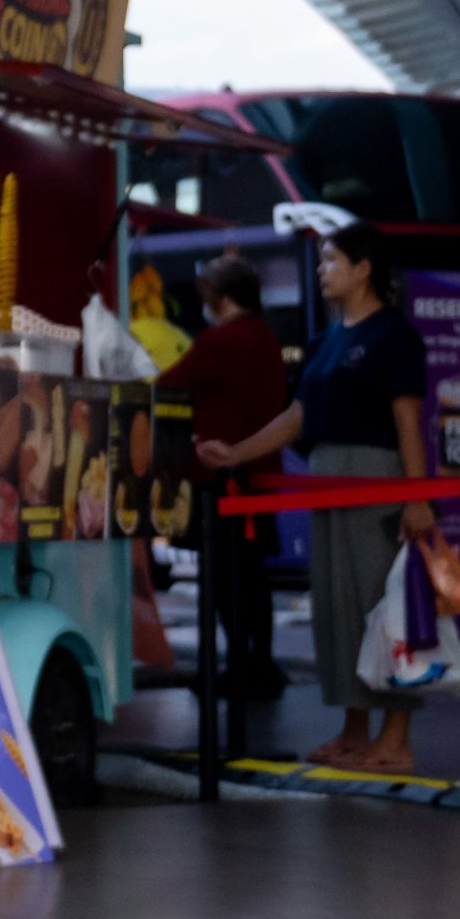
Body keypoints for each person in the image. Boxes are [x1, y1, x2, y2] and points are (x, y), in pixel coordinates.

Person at [199, 223, 433, 773]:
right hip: (327, 478)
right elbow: (297, 416)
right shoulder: (328, 340)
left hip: (377, 479)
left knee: (384, 604)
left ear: (363, 269)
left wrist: (416, 497)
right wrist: (236, 453)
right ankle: (354, 732)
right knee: (336, 608)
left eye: (331, 260)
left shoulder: (395, 336)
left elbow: (407, 423)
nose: (322, 270)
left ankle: (395, 737)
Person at [161, 254, 291, 697]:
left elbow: (168, 384)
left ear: (219, 298)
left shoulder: (220, 342)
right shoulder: (267, 339)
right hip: (262, 477)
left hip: (221, 480)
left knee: (224, 582)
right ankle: (260, 662)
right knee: (254, 580)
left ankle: (236, 668)